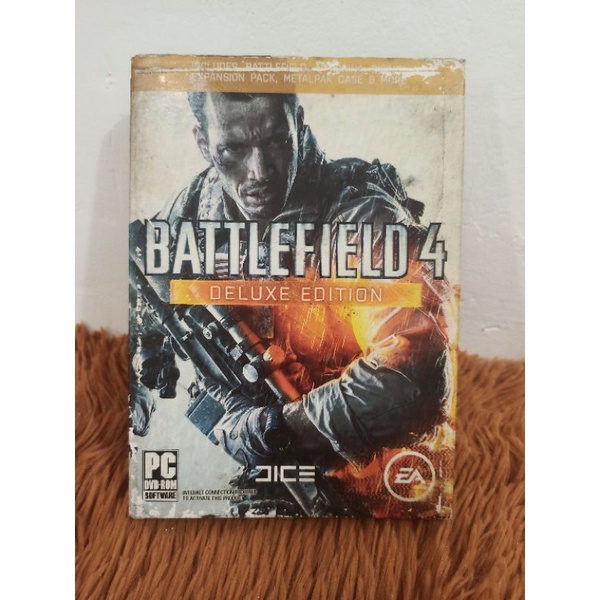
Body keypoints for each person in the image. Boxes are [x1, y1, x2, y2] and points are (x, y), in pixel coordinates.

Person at [130, 92, 452, 516]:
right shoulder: (190, 212)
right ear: (204, 143)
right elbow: (141, 283)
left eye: (276, 142)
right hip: (271, 477)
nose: (259, 172)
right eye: (233, 149)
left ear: (298, 123)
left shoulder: (359, 219)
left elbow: (409, 378)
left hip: (385, 489)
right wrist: (143, 363)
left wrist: (275, 429)